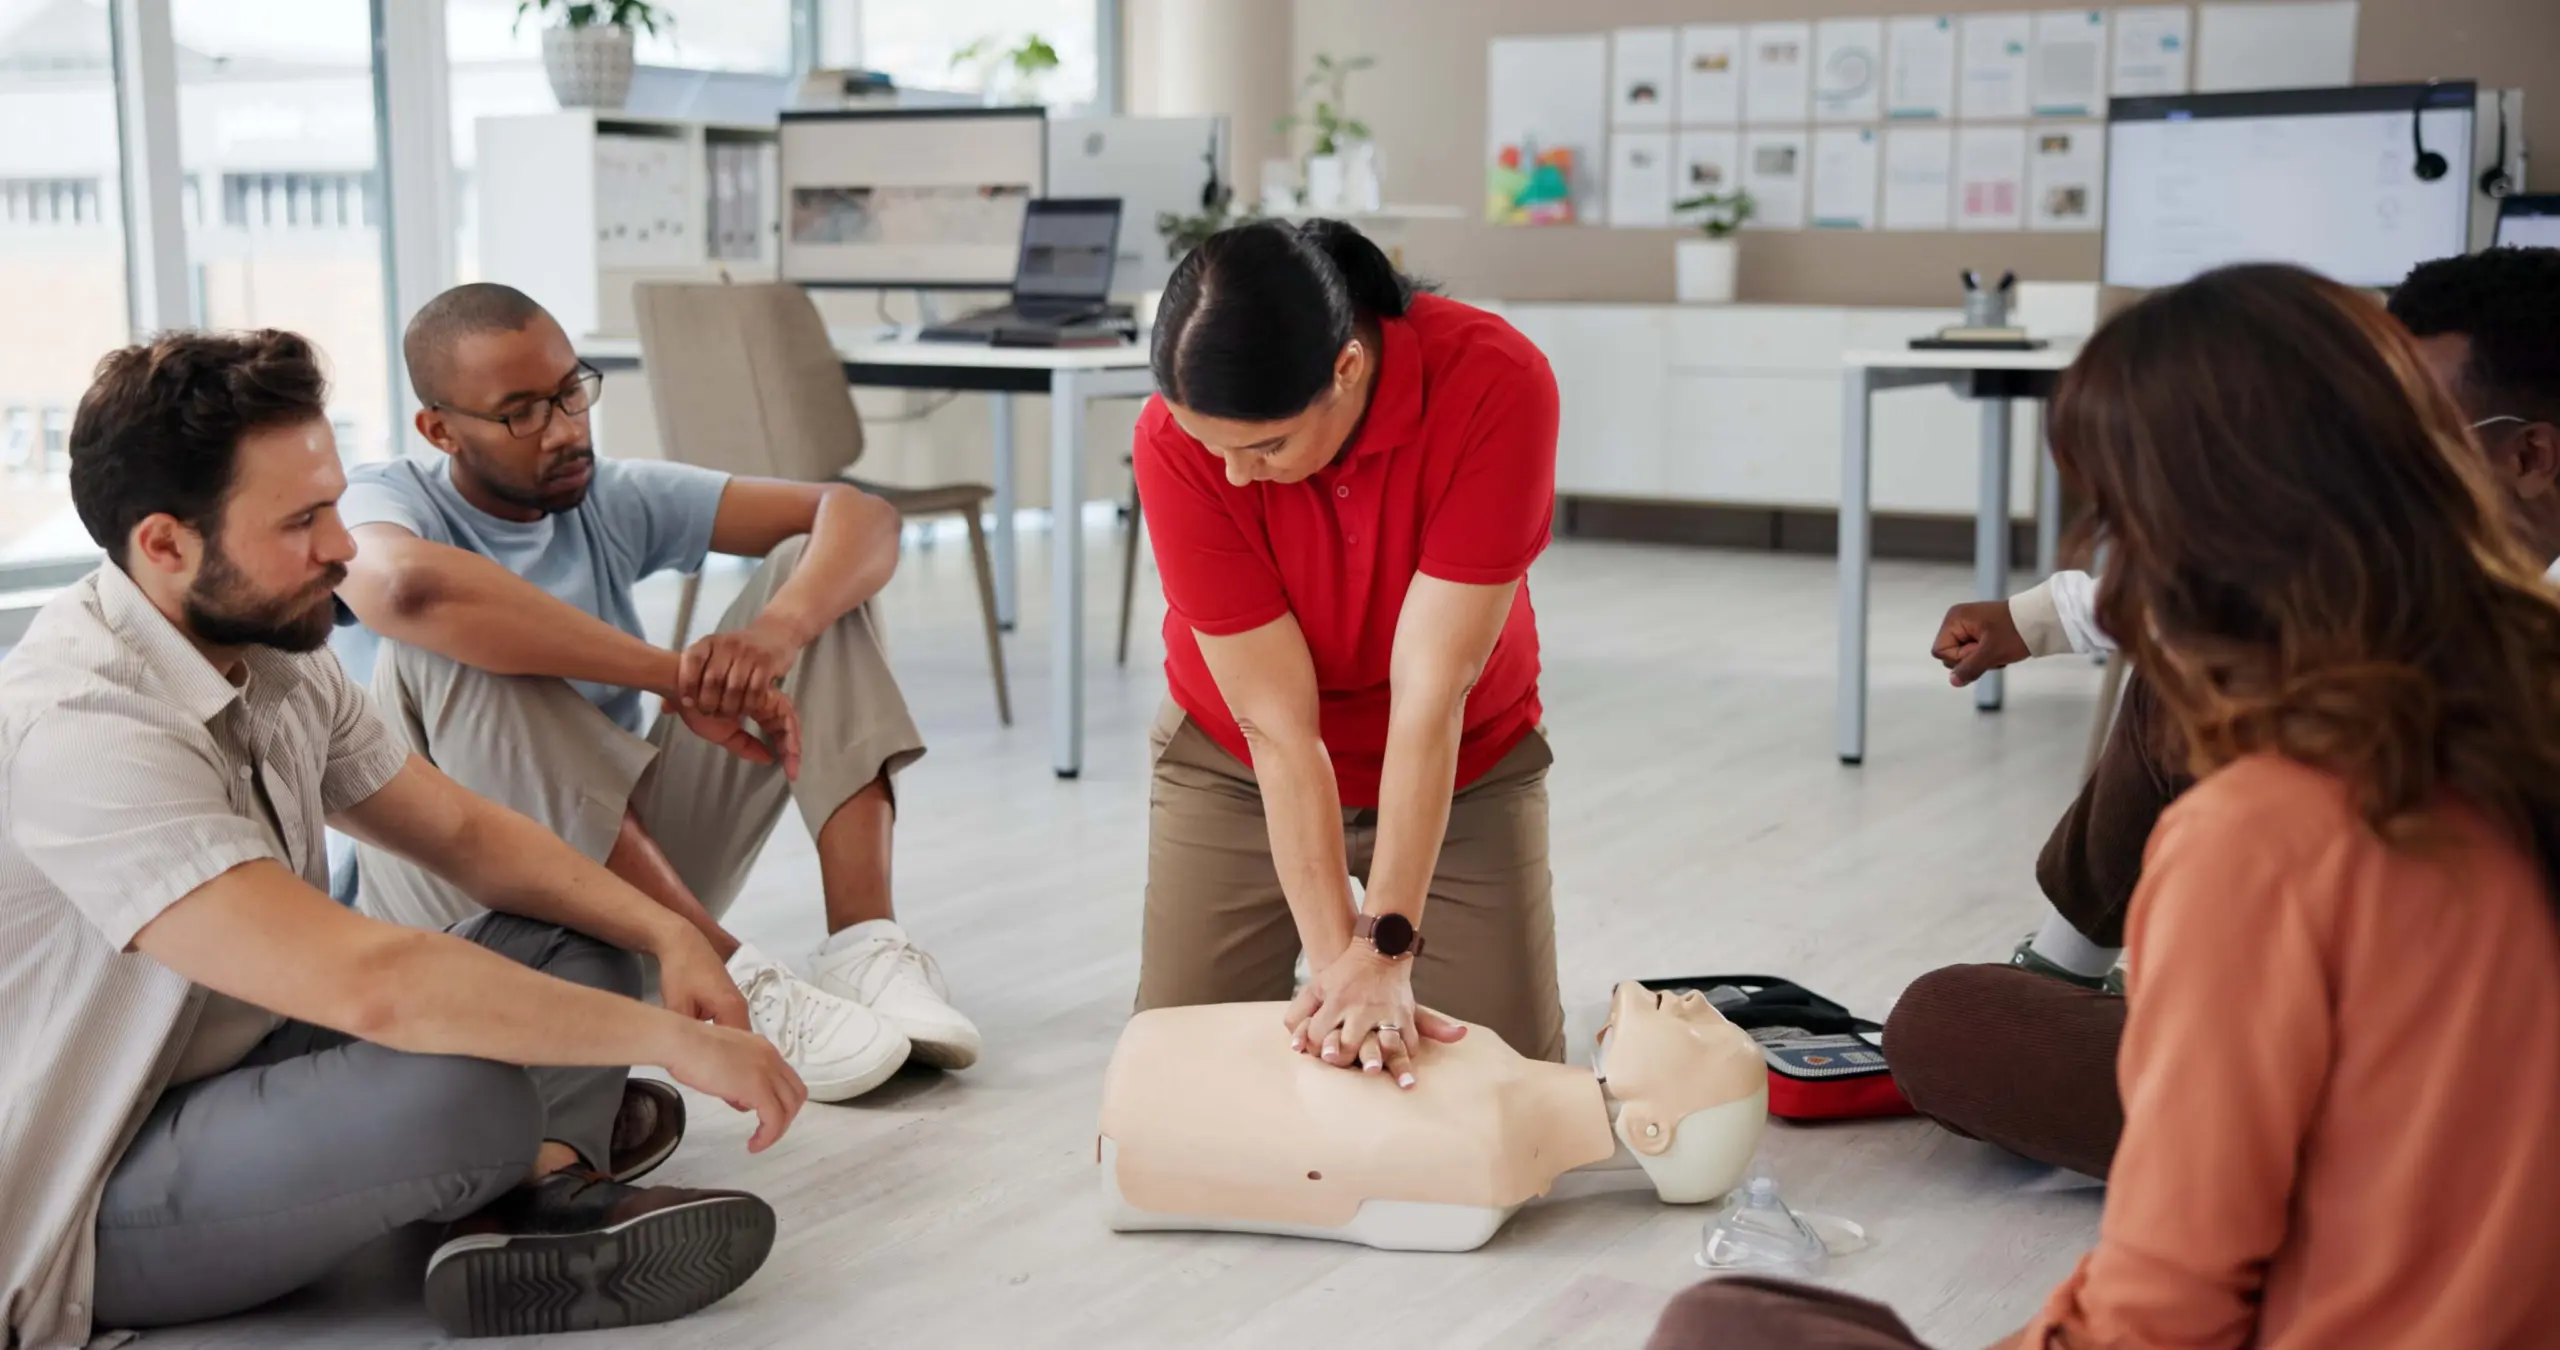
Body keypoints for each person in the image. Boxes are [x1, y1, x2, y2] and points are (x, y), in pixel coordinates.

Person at [1654, 263, 2560, 1348]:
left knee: (1725, 1323)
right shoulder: (2507, 691)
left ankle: (2075, 984)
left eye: (2118, 506)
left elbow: (2167, 1309)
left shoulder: (2268, 834)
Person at [0, 331, 808, 1347]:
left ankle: (527, 1191)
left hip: (249, 1066)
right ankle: (531, 1147)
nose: (342, 546)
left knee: (584, 930)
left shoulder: (272, 650)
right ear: (165, 544)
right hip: (98, 1179)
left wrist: (672, 938)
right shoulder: (86, 732)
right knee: (461, 1088)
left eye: (335, 503)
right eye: (301, 521)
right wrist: (673, 1038)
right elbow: (370, 981)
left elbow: (465, 832)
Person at [1893, 246, 2560, 1178]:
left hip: (2424, 1113)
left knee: (1945, 1023)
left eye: (2410, 439)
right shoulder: (2419, 572)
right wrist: (2033, 618)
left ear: (2529, 455)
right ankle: (2086, 983)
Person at [334, 282, 977, 1102]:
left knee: (814, 580)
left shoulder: (606, 494)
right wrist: (676, 675)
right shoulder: (382, 497)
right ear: (439, 429)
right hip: (453, 898)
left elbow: (859, 515)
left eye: (572, 390)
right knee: (455, 641)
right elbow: (407, 594)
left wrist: (769, 638)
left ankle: (865, 949)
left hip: (629, 891)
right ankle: (730, 980)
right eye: (522, 412)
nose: (566, 429)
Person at [1131, 219, 1565, 1080]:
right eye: (1211, 445)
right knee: (1181, 1087)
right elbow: (1276, 731)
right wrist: (1348, 980)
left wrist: (1387, 947)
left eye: (1264, 445)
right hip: (1241, 766)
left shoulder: (1496, 381)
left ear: (1348, 369)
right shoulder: (1173, 440)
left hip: (1465, 760)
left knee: (1510, 1088)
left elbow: (1431, 695)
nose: (1235, 476)